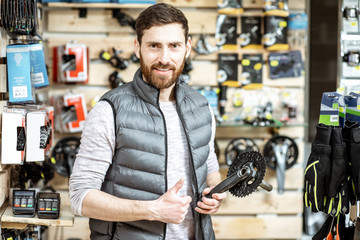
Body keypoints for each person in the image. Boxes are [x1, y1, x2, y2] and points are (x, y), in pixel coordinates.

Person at [69, 3, 227, 240]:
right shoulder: (109, 111)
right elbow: (80, 198)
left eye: (174, 46)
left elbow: (211, 169)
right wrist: (152, 210)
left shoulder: (202, 108)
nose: (164, 58)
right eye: (154, 46)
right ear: (137, 47)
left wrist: (214, 196)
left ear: (187, 48)